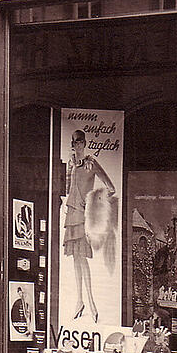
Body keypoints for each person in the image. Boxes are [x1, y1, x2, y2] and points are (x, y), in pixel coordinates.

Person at [64, 129, 115, 324]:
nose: (78, 145)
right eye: (75, 142)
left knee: (82, 258)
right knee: (76, 259)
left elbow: (111, 188)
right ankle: (79, 300)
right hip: (71, 213)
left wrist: (94, 203)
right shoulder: (71, 164)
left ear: (85, 144)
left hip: (83, 215)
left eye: (81, 142)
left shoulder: (91, 163)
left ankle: (91, 303)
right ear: (72, 144)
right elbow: (67, 188)